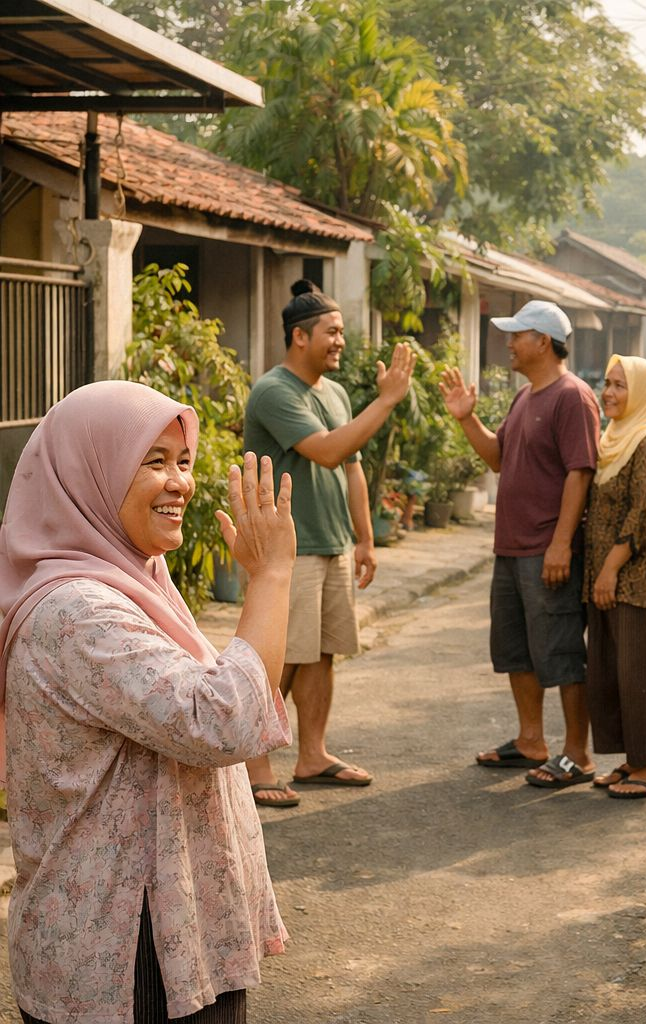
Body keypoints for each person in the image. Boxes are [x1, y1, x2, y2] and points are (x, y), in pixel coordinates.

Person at [0, 380, 296, 1023]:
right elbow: (221, 721)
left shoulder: (133, 581)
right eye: (153, 461)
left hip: (160, 926)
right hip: (127, 950)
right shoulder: (78, 611)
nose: (179, 483)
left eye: (183, 461)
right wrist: (271, 577)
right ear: (90, 474)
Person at [243, 280, 414, 807]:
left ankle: (313, 755)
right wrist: (386, 400)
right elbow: (327, 451)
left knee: (321, 654)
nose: (341, 341)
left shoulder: (334, 393)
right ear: (300, 336)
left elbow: (352, 468)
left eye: (341, 331)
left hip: (332, 542)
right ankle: (252, 765)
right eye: (332, 332)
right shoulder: (274, 391)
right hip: (287, 548)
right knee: (280, 658)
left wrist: (365, 539)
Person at [440, 300, 600, 788]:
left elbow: (580, 472)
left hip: (545, 548)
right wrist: (466, 419)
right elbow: (498, 458)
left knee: (561, 651)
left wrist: (561, 544)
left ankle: (578, 753)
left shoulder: (572, 397)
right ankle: (531, 740)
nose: (508, 344)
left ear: (544, 342)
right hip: (511, 548)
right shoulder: (526, 396)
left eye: (517, 335)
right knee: (516, 650)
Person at [585, 355, 646, 799]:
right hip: (610, 582)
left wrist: (609, 569)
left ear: (642, 392)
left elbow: (645, 514)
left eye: (620, 385)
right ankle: (635, 760)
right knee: (614, 676)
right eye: (607, 383)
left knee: (641, 676)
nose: (609, 393)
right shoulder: (613, 441)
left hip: (638, 583)